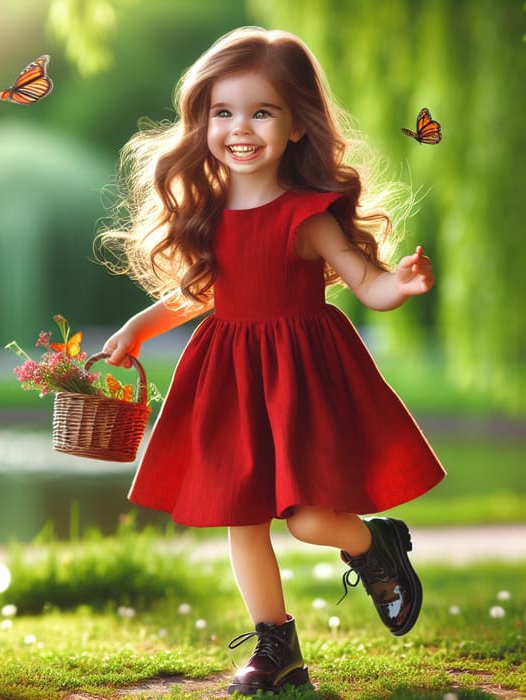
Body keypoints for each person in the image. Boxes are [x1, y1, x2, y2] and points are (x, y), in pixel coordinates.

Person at [98, 26, 446, 696]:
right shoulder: (210, 213)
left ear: (295, 127)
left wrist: (397, 285)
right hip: (229, 377)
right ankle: (275, 647)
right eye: (222, 112)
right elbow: (197, 293)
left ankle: (373, 546)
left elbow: (365, 281)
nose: (240, 128)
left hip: (300, 379)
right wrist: (139, 328)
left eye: (261, 112)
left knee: (310, 517)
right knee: (242, 517)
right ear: (202, 123)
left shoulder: (308, 215)